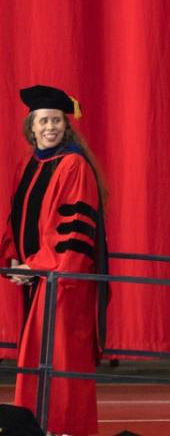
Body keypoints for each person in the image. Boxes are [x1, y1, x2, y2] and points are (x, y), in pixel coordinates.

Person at [0, 85, 109, 436]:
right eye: (44, 121)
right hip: (37, 281)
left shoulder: (73, 165)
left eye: (57, 121)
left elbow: (74, 231)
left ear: (67, 126)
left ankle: (63, 429)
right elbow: (16, 220)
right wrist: (15, 262)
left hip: (63, 284)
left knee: (59, 360)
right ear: (31, 127)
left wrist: (39, 265)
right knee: (36, 360)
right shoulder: (28, 165)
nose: (51, 127)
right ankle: (36, 428)